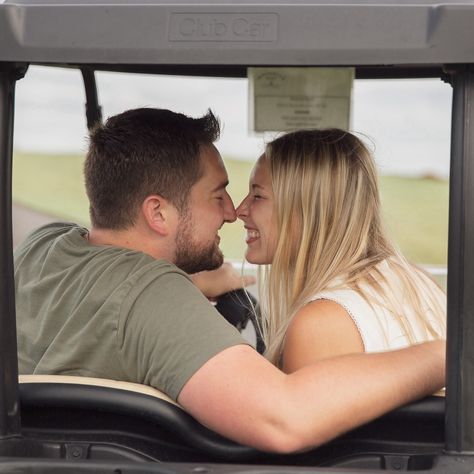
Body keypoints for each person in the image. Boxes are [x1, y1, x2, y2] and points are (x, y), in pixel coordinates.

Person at [15, 108, 445, 454]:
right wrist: (454, 353)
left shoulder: (43, 245)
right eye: (217, 194)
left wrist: (195, 288)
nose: (230, 211)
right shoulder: (158, 299)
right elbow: (285, 420)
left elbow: (109, 300)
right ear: (157, 213)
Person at [237, 128, 446, 373]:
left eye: (258, 196)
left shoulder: (320, 324)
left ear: (308, 211)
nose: (240, 209)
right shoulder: (419, 282)